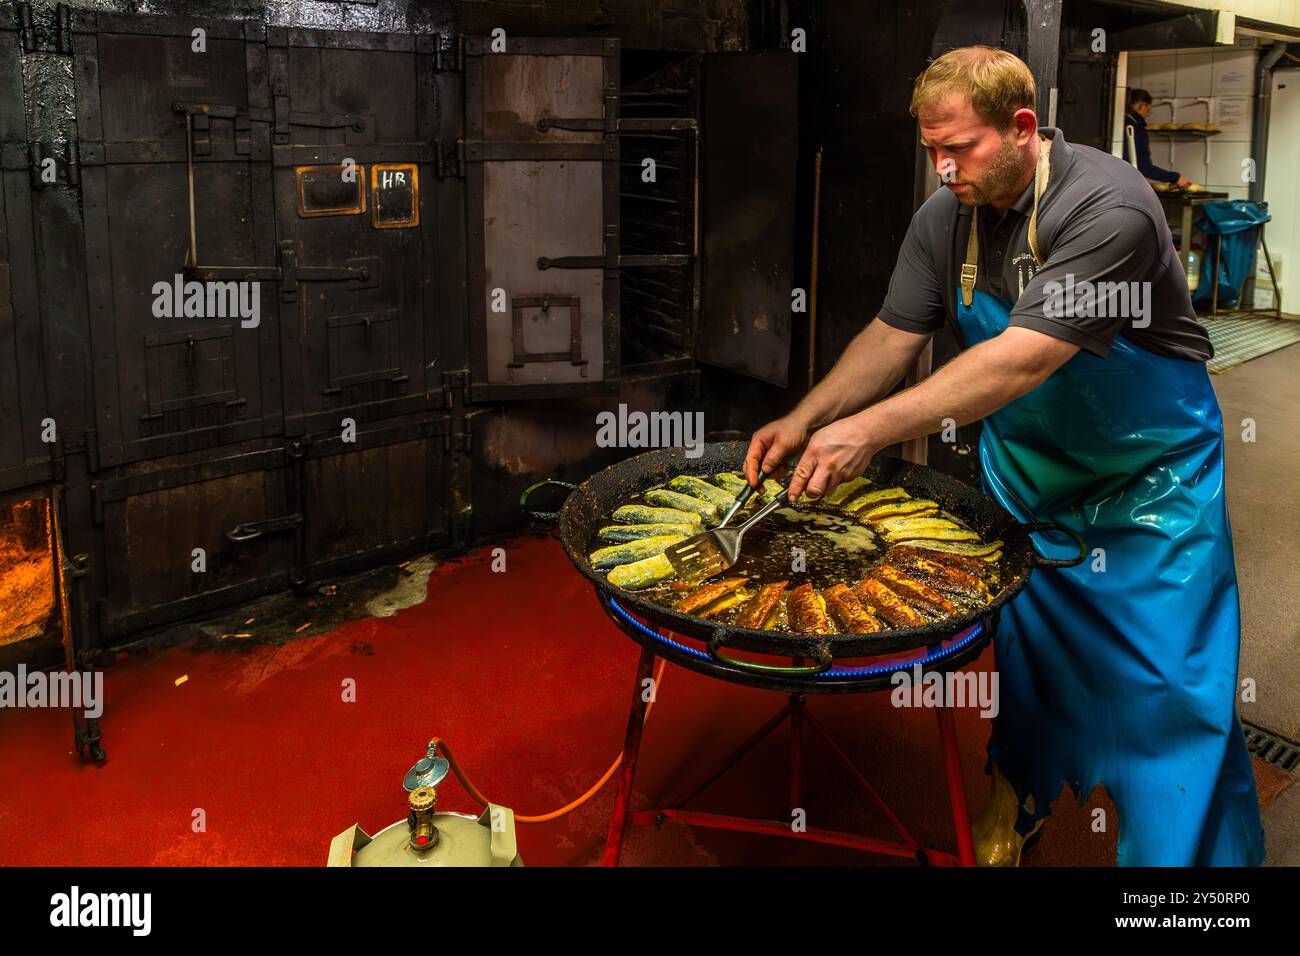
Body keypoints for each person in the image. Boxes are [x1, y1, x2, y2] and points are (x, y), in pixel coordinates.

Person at [744, 46, 1265, 867]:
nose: (944, 169)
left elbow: (1022, 358)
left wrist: (867, 432)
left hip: (1148, 492)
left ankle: (1185, 880)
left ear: (1024, 128)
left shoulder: (1108, 207)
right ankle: (1013, 803)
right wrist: (807, 418)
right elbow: (893, 335)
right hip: (1031, 479)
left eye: (962, 148)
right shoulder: (943, 217)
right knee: (1032, 669)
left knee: (1171, 690)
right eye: (931, 151)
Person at [1123, 88, 1192, 188]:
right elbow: (1145, 167)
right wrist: (1176, 178)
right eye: (1148, 110)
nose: (1146, 115)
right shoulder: (1136, 128)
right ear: (1141, 105)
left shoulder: (1115, 124)